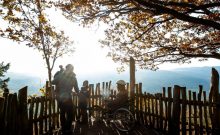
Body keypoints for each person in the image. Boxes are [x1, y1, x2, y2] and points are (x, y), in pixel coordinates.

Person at [52, 64, 79, 134]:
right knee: (69, 114)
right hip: (68, 98)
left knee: (62, 113)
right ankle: (68, 129)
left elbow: (53, 82)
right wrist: (78, 93)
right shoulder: (74, 78)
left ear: (66, 69)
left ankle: (63, 128)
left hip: (60, 98)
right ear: (72, 69)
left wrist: (59, 73)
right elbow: (76, 89)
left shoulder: (60, 75)